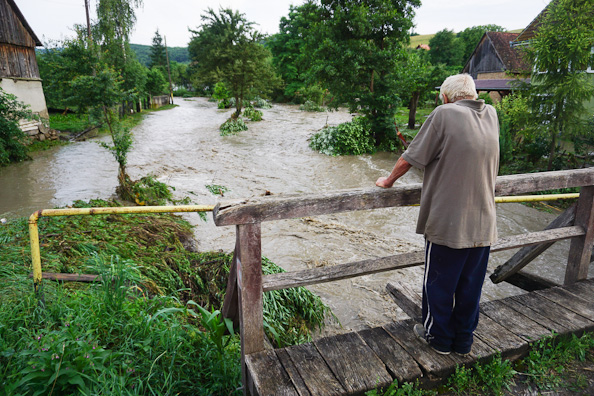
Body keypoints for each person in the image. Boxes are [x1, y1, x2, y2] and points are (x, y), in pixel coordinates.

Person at [376, 74, 499, 356]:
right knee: (470, 286)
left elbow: (411, 156)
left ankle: (439, 339)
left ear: (446, 96)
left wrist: (388, 181)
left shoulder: (443, 113)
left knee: (439, 284)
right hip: (484, 221)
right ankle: (463, 341)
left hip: (449, 221)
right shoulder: (490, 113)